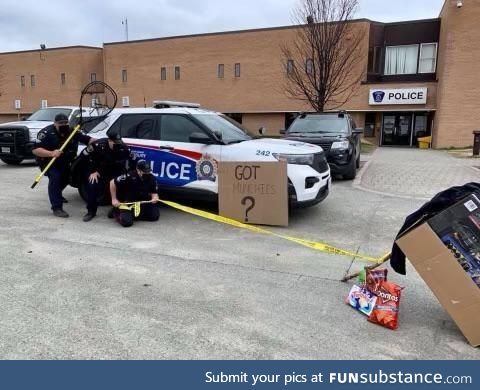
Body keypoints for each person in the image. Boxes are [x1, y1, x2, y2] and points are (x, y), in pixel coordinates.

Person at [32, 113, 95, 218]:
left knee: (67, 178)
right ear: (55, 123)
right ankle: (57, 208)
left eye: (65, 122)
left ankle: (56, 193)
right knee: (55, 178)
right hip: (48, 161)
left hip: (65, 161)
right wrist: (51, 153)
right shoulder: (46, 133)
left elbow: (87, 140)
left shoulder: (72, 131)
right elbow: (36, 150)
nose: (63, 125)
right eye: (60, 123)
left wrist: (102, 142)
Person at [81, 132, 132, 222]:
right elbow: (85, 157)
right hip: (100, 172)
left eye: (118, 142)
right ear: (109, 141)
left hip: (116, 172)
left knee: (124, 186)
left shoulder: (124, 148)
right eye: (115, 142)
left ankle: (116, 209)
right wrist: (92, 171)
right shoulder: (98, 145)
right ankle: (91, 212)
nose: (117, 144)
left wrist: (128, 174)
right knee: (92, 185)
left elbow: (133, 161)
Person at [109, 160, 160, 227]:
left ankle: (132, 215)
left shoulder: (152, 178)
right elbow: (112, 182)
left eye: (148, 171)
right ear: (138, 170)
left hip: (141, 202)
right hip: (128, 202)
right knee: (127, 222)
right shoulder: (129, 176)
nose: (147, 173)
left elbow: (154, 194)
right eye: (144, 171)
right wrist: (114, 199)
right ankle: (116, 212)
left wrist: (155, 198)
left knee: (154, 216)